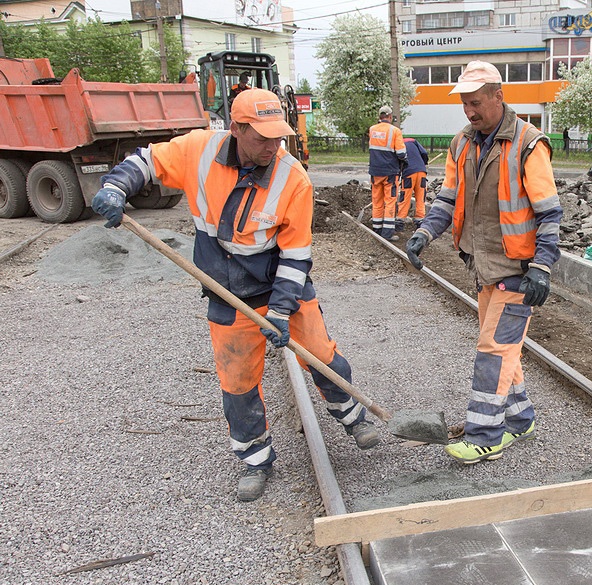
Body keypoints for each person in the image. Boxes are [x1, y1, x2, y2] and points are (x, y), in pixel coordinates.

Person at [90, 89, 381, 502]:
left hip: (284, 283)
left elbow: (297, 255)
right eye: (261, 137)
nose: (272, 146)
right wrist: (117, 187)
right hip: (227, 290)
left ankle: (353, 418)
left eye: (278, 137)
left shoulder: (292, 178)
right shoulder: (198, 150)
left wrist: (280, 310)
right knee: (238, 378)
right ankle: (255, 457)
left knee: (318, 350)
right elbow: (147, 161)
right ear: (237, 129)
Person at [404, 60, 562, 464]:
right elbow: (447, 200)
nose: (470, 111)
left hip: (518, 271)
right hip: (483, 267)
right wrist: (425, 232)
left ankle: (486, 434)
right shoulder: (462, 144)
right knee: (504, 348)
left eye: (476, 103)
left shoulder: (528, 143)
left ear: (498, 96)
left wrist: (543, 266)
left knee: (493, 350)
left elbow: (549, 213)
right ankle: (520, 418)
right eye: (465, 105)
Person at [368, 105, 407, 240]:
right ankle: (387, 233)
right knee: (390, 201)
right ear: (390, 117)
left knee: (377, 200)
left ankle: (377, 230)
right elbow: (401, 153)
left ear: (380, 117)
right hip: (390, 172)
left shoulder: (372, 130)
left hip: (375, 171)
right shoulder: (395, 131)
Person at [396, 136, 429, 229]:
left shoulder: (398, 145)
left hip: (409, 173)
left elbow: (397, 161)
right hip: (422, 172)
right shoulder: (413, 141)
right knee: (420, 196)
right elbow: (424, 153)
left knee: (405, 196)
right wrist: (424, 163)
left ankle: (400, 221)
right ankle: (420, 219)